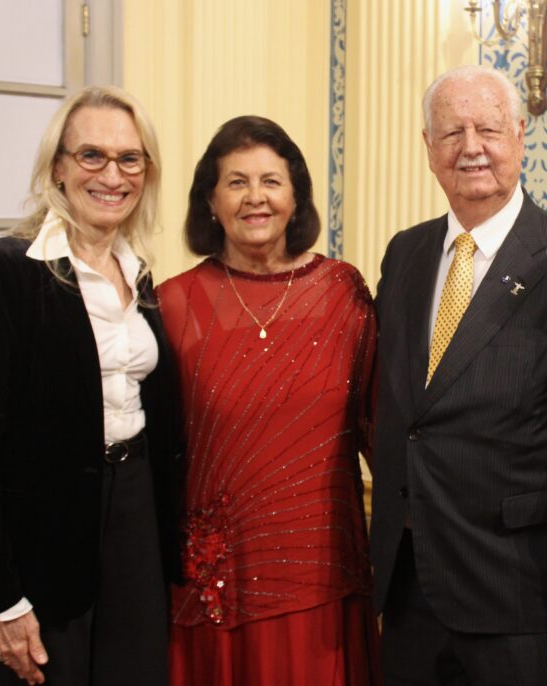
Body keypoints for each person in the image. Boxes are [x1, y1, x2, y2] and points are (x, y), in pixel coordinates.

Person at [370, 64, 547, 685]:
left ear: (518, 134)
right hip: (409, 583)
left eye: (487, 129)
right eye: (451, 132)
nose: (471, 147)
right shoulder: (405, 253)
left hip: (522, 593)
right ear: (428, 147)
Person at [0, 86, 181, 686]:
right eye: (92, 155)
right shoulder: (1, 272)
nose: (112, 176)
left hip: (135, 513)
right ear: (58, 168)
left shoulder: (138, 272)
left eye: (130, 159)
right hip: (42, 534)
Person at [158, 115, 380, 685]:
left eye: (271, 181)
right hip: (220, 584)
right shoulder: (173, 305)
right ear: (210, 201)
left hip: (324, 575)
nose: (255, 197)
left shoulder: (343, 293)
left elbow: (379, 427)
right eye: (236, 182)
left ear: (296, 196)